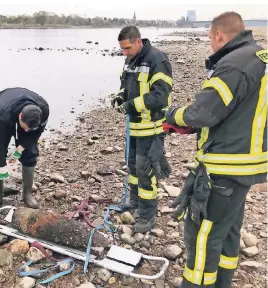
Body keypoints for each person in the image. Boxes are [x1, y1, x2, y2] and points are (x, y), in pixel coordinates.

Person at [165, 12, 267, 288]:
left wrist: (173, 117)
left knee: (202, 235)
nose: (210, 43)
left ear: (218, 35)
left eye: (210, 37)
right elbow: (239, 111)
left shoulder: (234, 64)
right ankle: (223, 282)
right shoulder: (260, 58)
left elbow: (202, 112)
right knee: (228, 229)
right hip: (248, 163)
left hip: (224, 166)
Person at [111, 26, 173, 233]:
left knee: (146, 171)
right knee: (133, 168)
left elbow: (159, 97)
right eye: (122, 49)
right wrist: (120, 97)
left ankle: (147, 215)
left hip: (152, 127)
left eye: (127, 48)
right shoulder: (131, 60)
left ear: (138, 41)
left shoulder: (158, 60)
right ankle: (135, 201)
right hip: (134, 128)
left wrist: (130, 105)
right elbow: (125, 85)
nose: (124, 53)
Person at [0, 87, 49, 210]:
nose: (26, 131)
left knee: (30, 152)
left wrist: (20, 148)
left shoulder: (43, 110)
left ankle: (27, 195)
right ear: (20, 116)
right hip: (0, 108)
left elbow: (34, 134)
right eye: (25, 127)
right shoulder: (1, 115)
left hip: (24, 114)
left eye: (28, 129)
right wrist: (2, 166)